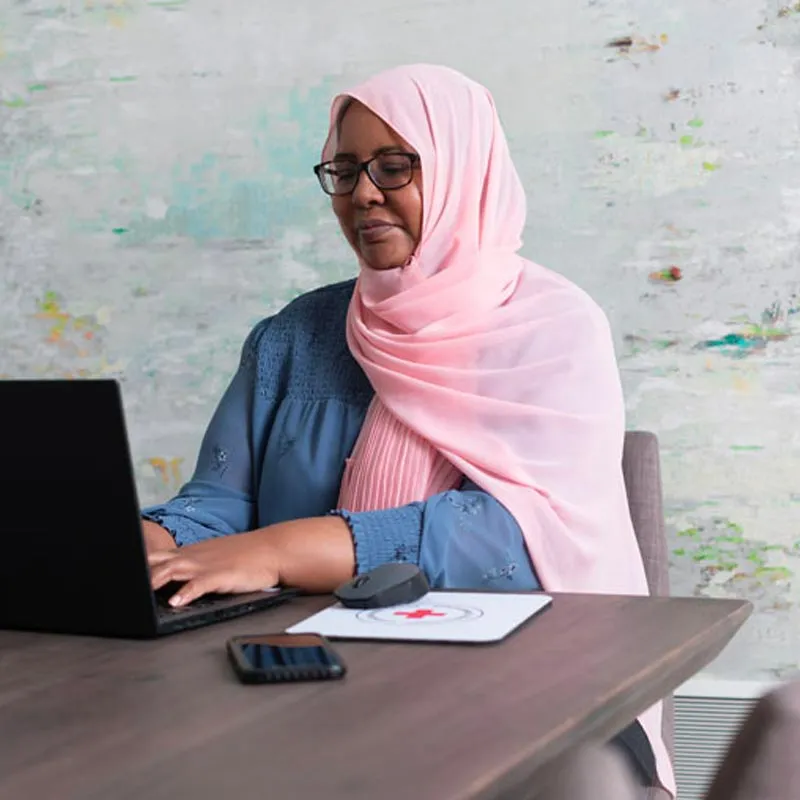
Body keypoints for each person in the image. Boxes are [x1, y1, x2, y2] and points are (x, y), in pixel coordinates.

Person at [141, 64, 674, 796]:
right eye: (346, 169)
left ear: (464, 170)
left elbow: (518, 535)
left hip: (531, 687)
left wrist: (279, 550)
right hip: (312, 678)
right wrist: (151, 543)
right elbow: (218, 503)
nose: (363, 192)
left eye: (397, 167)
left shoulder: (551, 328)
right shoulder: (296, 334)